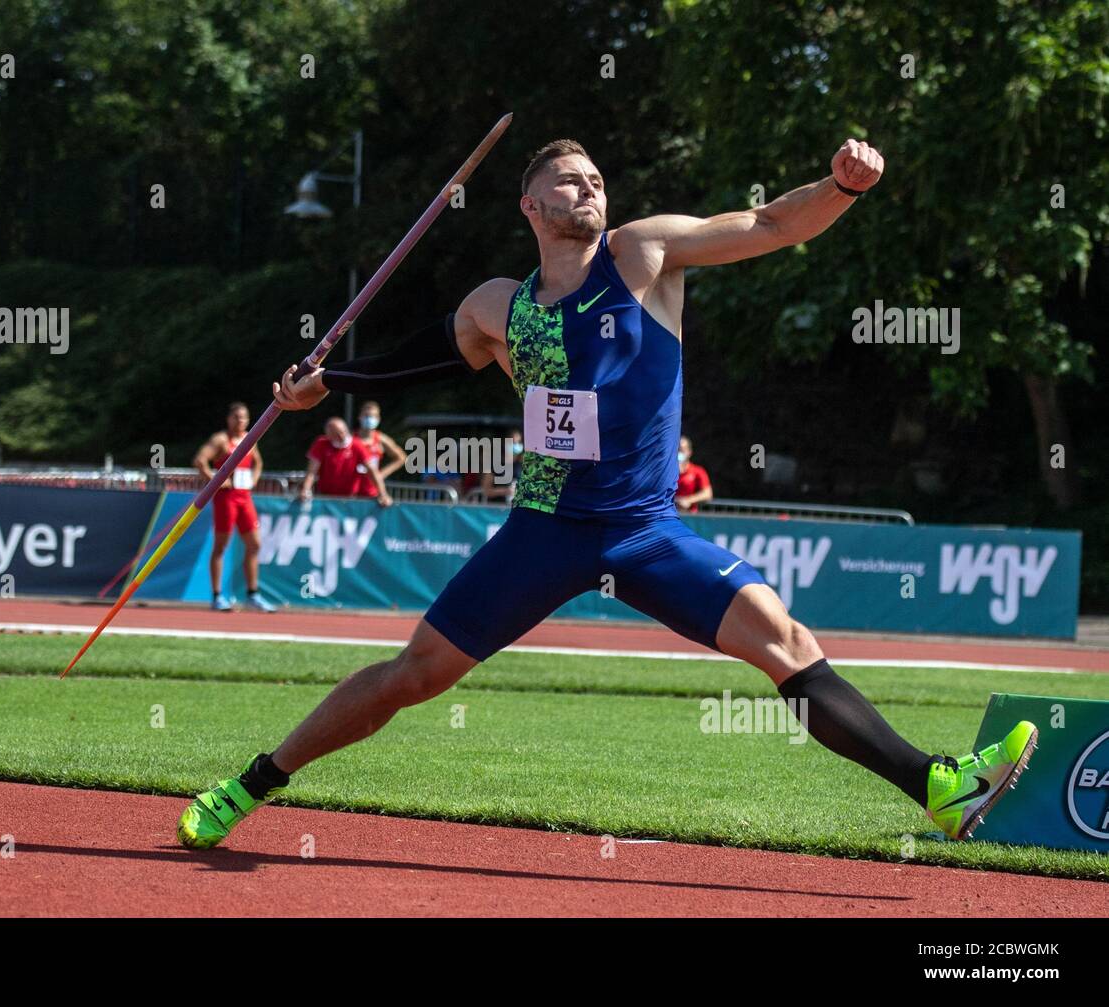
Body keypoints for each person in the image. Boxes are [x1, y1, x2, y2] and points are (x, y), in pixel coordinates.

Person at [178, 138, 1036, 850]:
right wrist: (327, 382)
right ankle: (251, 783)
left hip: (644, 531)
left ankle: (938, 787)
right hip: (544, 531)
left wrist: (841, 188)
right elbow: (422, 356)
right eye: (568, 181)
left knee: (785, 638)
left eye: (594, 178)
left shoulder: (643, 252)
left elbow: (771, 224)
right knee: (413, 675)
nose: (588, 188)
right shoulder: (497, 306)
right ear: (530, 207)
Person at [192, 402, 275, 612]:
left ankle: (253, 595)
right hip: (226, 498)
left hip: (244, 497)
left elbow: (258, 462)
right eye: (236, 417)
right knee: (221, 545)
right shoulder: (221, 440)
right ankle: (217, 596)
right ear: (229, 419)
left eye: (244, 417)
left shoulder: (250, 439)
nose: (240, 421)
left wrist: (254, 480)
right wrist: (216, 480)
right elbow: (200, 460)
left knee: (254, 544)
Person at [301, 417, 393, 506]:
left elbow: (372, 470)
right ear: (329, 435)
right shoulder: (321, 444)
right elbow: (311, 472)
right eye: (336, 434)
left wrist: (383, 494)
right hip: (325, 498)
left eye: (342, 431)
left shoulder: (356, 445)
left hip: (349, 499)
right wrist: (306, 489)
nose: (341, 436)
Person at [352, 401, 407, 499]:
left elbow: (401, 458)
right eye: (366, 415)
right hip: (351, 490)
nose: (369, 419)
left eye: (373, 416)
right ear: (360, 417)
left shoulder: (380, 439)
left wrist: (381, 474)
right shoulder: (350, 439)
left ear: (378, 419)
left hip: (372, 491)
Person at [479, 428, 523, 503]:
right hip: (496, 509)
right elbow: (486, 490)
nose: (516, 445)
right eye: (513, 442)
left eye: (518, 442)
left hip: (516, 508)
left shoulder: (522, 465)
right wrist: (505, 491)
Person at [674, 435, 713, 513]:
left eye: (682, 450)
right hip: (670, 516)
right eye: (677, 449)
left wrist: (688, 500)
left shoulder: (698, 471)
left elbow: (707, 494)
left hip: (690, 516)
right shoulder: (667, 472)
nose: (680, 453)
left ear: (689, 452)